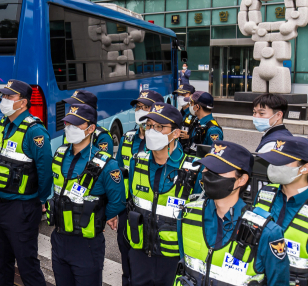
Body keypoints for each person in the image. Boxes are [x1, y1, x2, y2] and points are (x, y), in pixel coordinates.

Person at [176, 141, 289, 285]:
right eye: (207, 168)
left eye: (218, 170)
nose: (208, 174)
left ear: (241, 179)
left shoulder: (266, 232)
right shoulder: (187, 214)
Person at [0, 79, 52, 286]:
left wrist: (40, 200)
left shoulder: (35, 131)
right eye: (3, 96)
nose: (4, 100)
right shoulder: (4, 124)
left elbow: (45, 171)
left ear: (23, 102)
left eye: (9, 97)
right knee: (1, 263)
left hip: (22, 208)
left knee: (27, 265)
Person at [47, 104, 125, 286]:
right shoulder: (59, 154)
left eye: (75, 125)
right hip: (59, 237)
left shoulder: (106, 164)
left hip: (87, 244)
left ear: (90, 129)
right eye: (67, 124)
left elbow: (118, 201)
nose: (69, 129)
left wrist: (96, 217)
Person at [126, 103, 203, 286]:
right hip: (140, 253)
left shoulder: (194, 169)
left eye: (160, 127)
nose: (152, 131)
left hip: (174, 258)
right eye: (150, 126)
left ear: (176, 133)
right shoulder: (137, 162)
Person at [115, 89, 164, 286]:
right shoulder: (128, 138)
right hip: (129, 212)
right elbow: (117, 176)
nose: (141, 111)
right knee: (127, 262)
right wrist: (115, 210)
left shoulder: (165, 142)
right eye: (138, 107)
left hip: (155, 215)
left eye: (146, 107)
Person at [254, 137, 308, 285]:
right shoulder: (264, 193)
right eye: (273, 160)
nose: (274, 166)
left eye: (282, 161)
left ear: (304, 168)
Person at [174, 84, 196, 155]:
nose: (180, 97)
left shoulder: (195, 113)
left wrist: (190, 137)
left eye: (183, 95)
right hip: (178, 149)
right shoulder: (179, 113)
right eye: (179, 95)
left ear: (191, 96)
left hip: (190, 152)